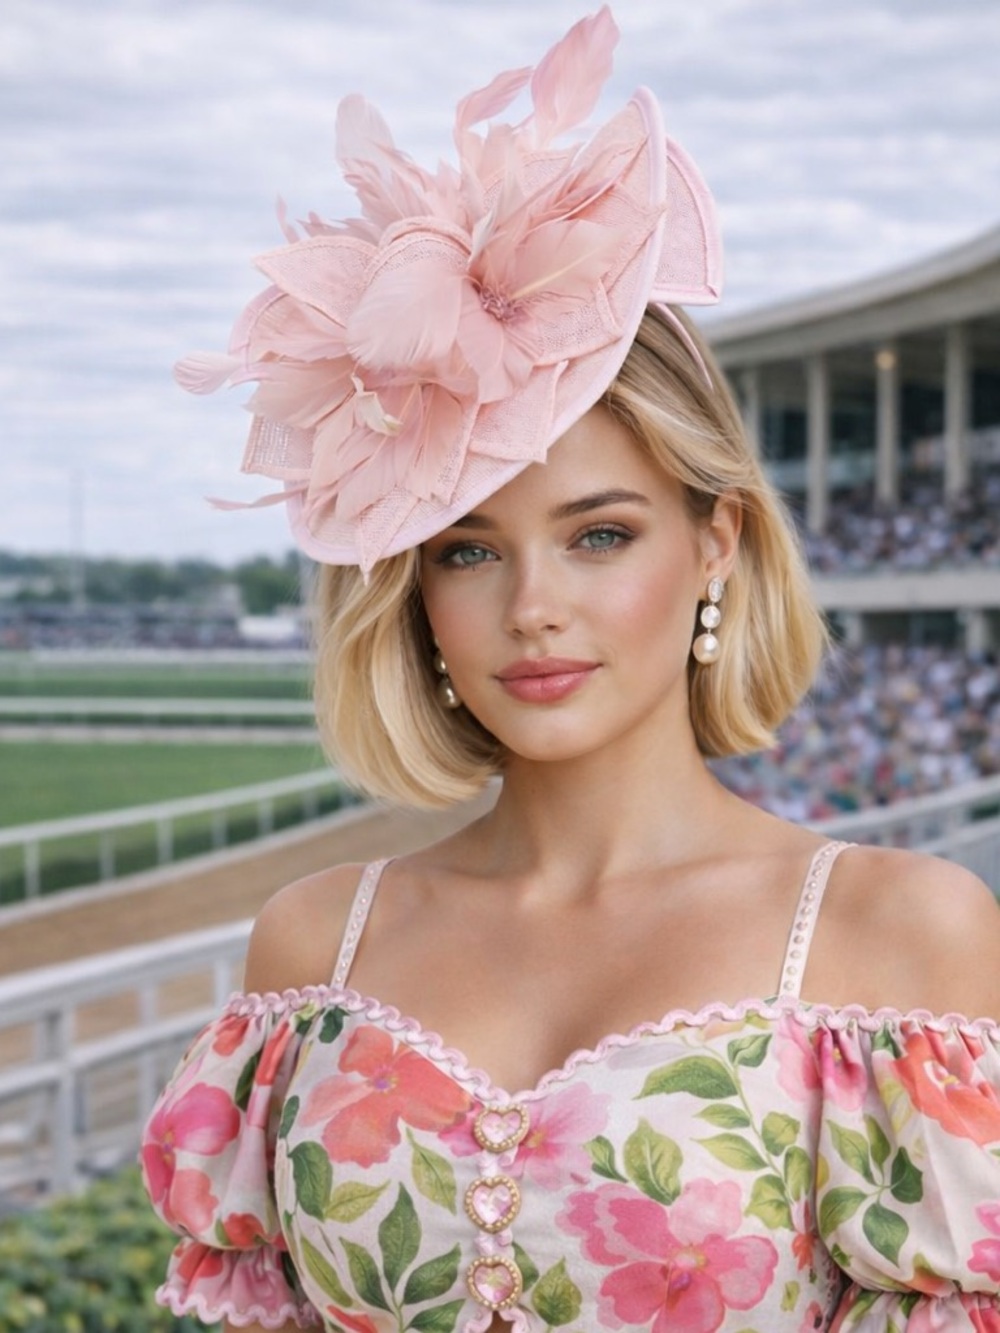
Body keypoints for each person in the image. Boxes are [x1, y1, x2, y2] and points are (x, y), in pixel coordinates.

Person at [141, 9, 1000, 1332]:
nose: (533, 607)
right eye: (467, 550)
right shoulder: (315, 944)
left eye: (600, 534)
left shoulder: (900, 934)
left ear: (718, 541)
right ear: (411, 589)